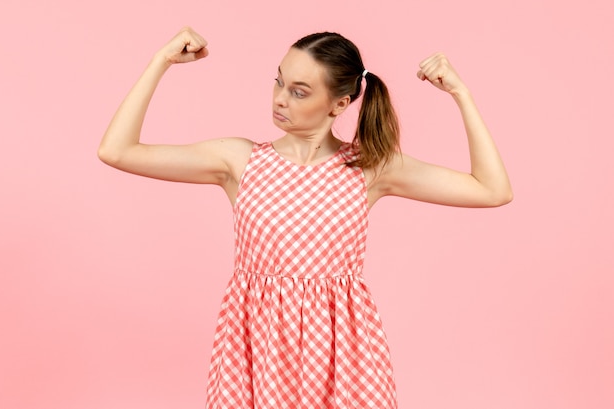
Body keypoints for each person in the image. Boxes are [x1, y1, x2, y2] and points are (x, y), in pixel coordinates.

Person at [98, 26, 512, 409]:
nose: (279, 98)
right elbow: (117, 151)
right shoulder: (240, 161)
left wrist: (462, 94)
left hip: (343, 360)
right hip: (254, 352)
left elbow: (492, 190)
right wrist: (161, 61)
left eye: (299, 91)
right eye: (278, 81)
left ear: (341, 103)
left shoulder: (370, 167)